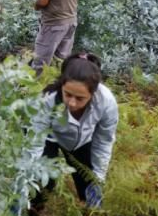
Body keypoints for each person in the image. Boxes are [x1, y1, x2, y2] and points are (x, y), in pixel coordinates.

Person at [35, 55, 119, 207]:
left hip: (82, 140)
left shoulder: (106, 102)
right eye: (67, 94)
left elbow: (103, 141)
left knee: (89, 181)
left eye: (80, 98)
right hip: (50, 136)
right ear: (62, 85)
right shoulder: (48, 99)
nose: (72, 103)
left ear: (92, 94)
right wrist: (28, 176)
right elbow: (35, 140)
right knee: (41, 179)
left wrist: (98, 178)